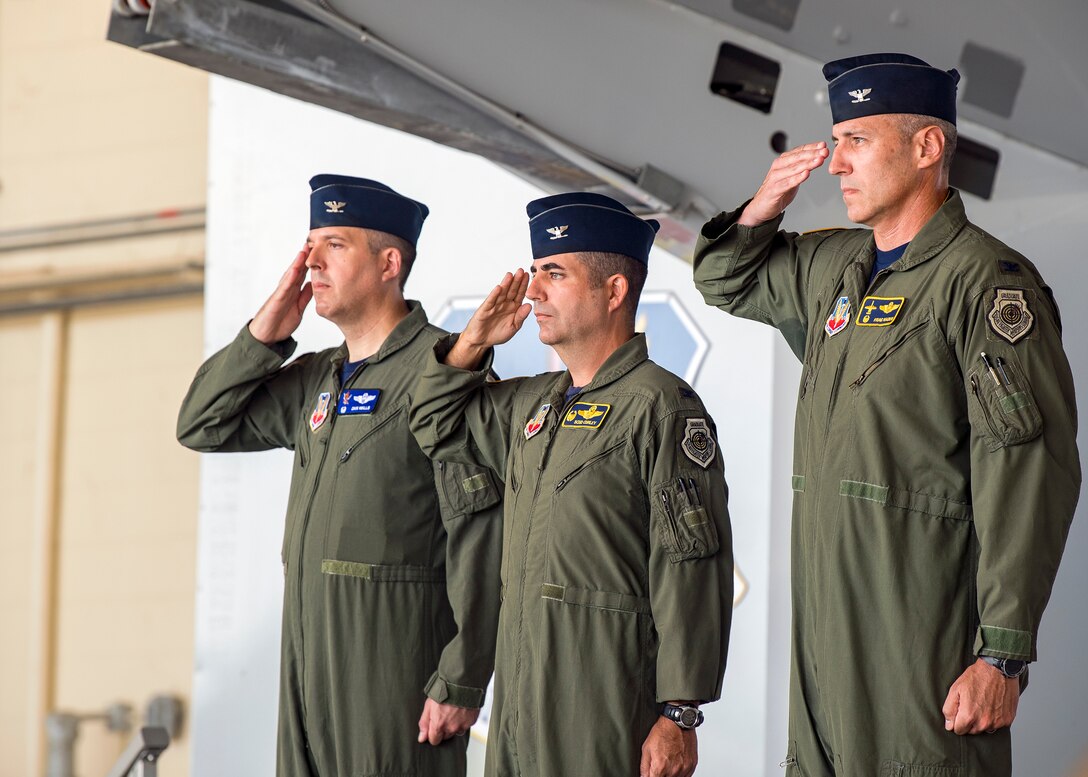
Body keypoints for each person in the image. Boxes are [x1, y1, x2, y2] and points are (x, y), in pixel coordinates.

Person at [693, 53, 1080, 776]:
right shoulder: (831, 267)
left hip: (919, 647)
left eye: (857, 140)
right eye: (835, 141)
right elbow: (722, 278)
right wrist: (762, 209)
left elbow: (1027, 473)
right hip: (823, 650)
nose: (836, 163)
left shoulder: (987, 286)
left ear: (927, 147)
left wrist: (1003, 651)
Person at [177, 174, 503, 777]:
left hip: (393, 668)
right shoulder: (316, 378)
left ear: (388, 262)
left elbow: (481, 532)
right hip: (306, 665)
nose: (311, 261)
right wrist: (267, 330)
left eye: (334, 243)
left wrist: (461, 675)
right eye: (309, 243)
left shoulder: (445, 371)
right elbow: (203, 425)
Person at [408, 192, 734, 777]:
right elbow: (435, 424)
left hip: (607, 705)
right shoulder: (531, 404)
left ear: (613, 292)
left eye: (554, 274)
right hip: (520, 701)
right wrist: (473, 341)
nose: (533, 291)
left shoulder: (661, 408)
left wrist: (679, 713)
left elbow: (690, 565)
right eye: (535, 273)